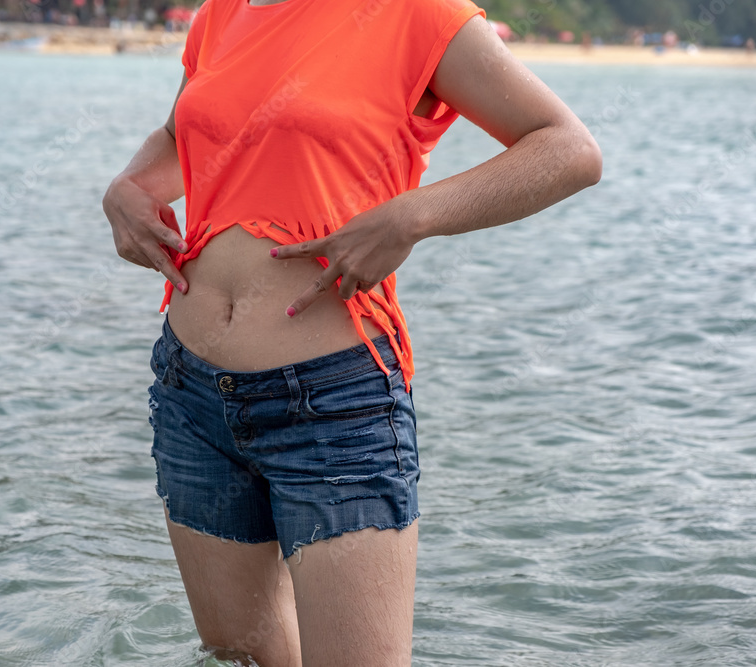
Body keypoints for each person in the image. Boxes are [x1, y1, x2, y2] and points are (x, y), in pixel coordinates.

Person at [102, 0, 601, 664]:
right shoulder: (222, 14)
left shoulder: (418, 14)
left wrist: (411, 217)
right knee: (238, 657)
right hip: (191, 394)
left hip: (333, 401)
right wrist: (126, 188)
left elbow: (568, 147)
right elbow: (182, 135)